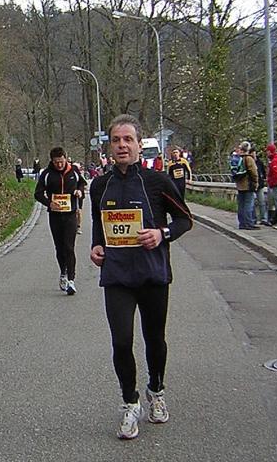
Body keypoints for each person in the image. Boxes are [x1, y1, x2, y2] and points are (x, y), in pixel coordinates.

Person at [89, 114, 193, 440]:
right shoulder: (99, 185)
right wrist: (96, 247)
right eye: (116, 140)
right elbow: (99, 223)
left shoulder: (158, 182)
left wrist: (162, 233)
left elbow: (184, 220)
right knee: (121, 341)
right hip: (117, 274)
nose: (122, 145)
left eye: (128, 140)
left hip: (152, 274)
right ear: (109, 145)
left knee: (154, 341)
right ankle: (129, 402)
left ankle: (156, 390)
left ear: (139, 144)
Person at [34, 147, 86, 295]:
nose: (59, 165)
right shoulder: (47, 174)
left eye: (61, 161)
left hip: (70, 215)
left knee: (69, 247)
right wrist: (49, 203)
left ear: (65, 158)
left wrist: (79, 191)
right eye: (56, 162)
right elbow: (37, 193)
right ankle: (63, 271)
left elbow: (82, 183)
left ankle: (71, 280)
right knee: (60, 248)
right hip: (55, 216)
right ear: (52, 161)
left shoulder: (73, 171)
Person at [234, 141, 259, 230]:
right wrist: (256, 182)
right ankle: (249, 223)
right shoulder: (249, 159)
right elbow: (253, 172)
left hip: (240, 185)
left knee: (241, 205)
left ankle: (242, 223)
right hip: (248, 184)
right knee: (248, 204)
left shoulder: (238, 159)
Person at [251, 147, 270, 226]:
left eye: (254, 153)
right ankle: (254, 218)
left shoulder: (259, 162)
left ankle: (264, 218)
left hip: (260, 185)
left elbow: (263, 172)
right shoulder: (249, 161)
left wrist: (263, 179)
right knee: (252, 203)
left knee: (262, 202)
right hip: (252, 185)